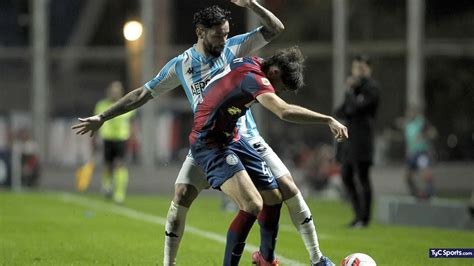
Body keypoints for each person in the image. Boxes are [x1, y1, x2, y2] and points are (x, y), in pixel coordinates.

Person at [72, 2, 333, 265]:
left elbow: (275, 28)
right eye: (218, 35)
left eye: (227, 33)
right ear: (200, 32)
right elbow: (142, 94)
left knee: (283, 189)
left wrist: (252, 4)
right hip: (209, 139)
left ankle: (310, 258)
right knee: (183, 194)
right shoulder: (181, 65)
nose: (224, 39)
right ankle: (169, 262)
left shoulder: (233, 47)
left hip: (244, 136)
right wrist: (103, 116)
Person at [190, 46, 347, 265]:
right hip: (209, 143)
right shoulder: (254, 78)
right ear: (273, 72)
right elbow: (283, 111)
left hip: (233, 137)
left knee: (273, 197)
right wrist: (327, 119)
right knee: (253, 204)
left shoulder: (256, 62)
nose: (278, 92)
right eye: (280, 87)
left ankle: (266, 259)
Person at [335, 54, 379, 228]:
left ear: (369, 69)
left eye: (361, 68)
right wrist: (350, 93)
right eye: (355, 68)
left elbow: (355, 108)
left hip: (363, 140)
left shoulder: (372, 88)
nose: (358, 72)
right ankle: (358, 215)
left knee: (363, 177)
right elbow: (340, 112)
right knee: (346, 176)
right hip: (349, 140)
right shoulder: (354, 90)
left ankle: (365, 218)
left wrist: (351, 92)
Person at [94, 81, 135, 204]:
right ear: (109, 92)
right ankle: (107, 186)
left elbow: (132, 123)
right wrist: (95, 138)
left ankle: (119, 193)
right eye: (113, 90)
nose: (114, 92)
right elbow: (96, 122)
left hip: (122, 138)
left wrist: (133, 137)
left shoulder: (127, 104)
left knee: (120, 164)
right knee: (108, 165)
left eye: (117, 90)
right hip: (107, 138)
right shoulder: (101, 105)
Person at [403, 105, 437, 200]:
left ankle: (430, 194)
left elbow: (433, 132)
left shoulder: (422, 122)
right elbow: (409, 141)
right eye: (408, 112)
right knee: (407, 177)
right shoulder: (408, 125)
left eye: (411, 112)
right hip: (412, 154)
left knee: (426, 174)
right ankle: (416, 194)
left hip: (421, 153)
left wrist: (423, 135)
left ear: (415, 113)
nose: (410, 114)